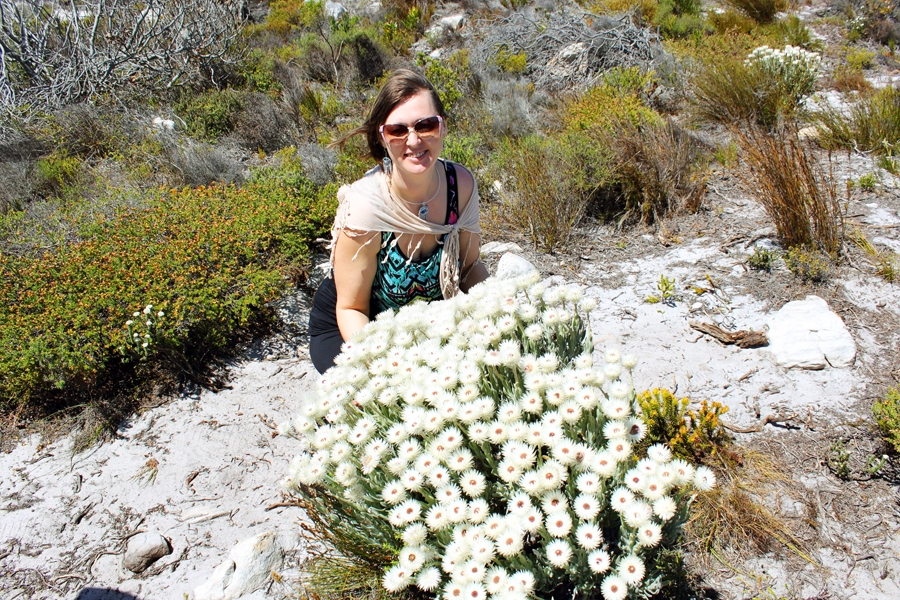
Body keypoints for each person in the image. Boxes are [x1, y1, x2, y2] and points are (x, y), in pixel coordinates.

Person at [308, 69, 489, 373]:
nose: (414, 140)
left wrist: (502, 310)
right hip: (352, 325)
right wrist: (387, 368)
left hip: (419, 325)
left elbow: (469, 269)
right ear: (383, 137)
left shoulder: (461, 186)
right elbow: (352, 308)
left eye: (426, 125)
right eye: (397, 130)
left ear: (443, 127)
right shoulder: (366, 204)